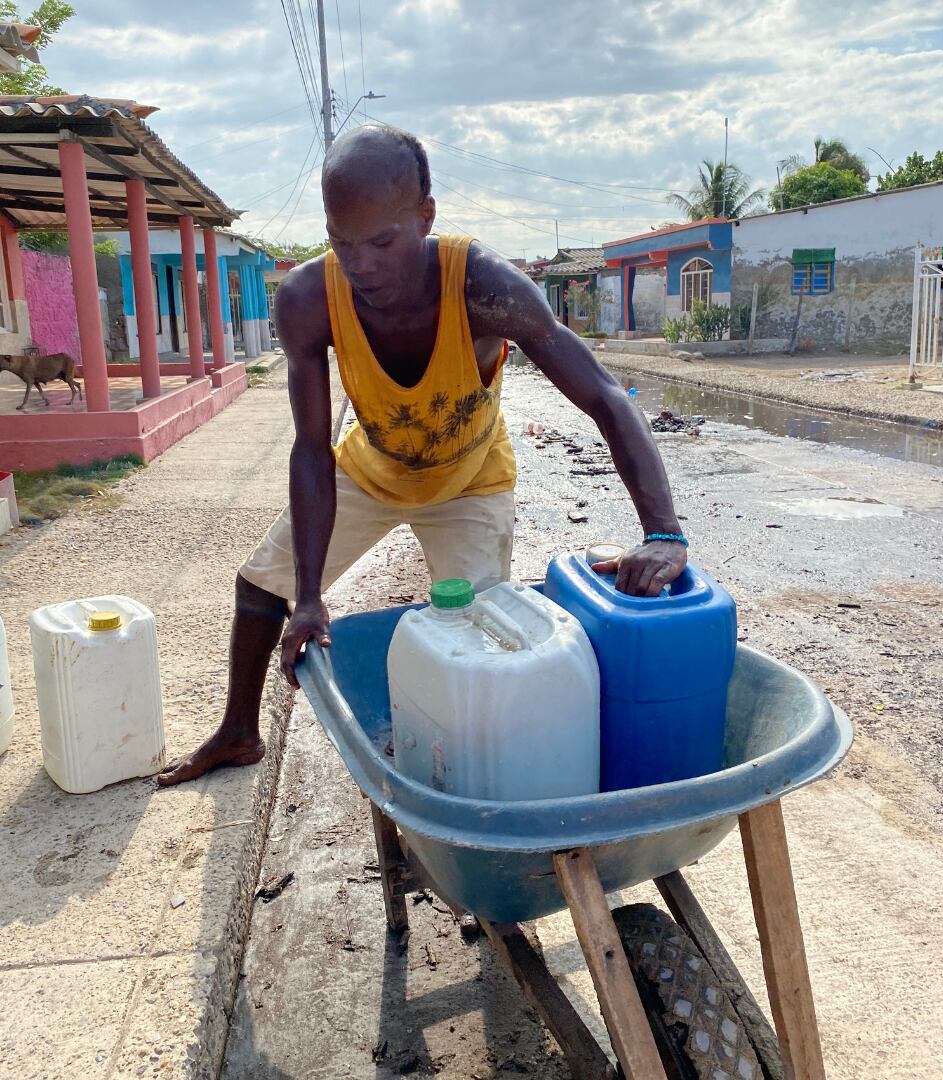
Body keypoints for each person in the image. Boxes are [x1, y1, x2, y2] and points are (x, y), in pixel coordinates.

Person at [158, 126, 689, 785]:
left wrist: (663, 530)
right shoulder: (308, 298)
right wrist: (308, 596)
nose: (362, 265)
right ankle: (238, 733)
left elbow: (605, 395)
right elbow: (310, 450)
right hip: (372, 471)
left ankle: (482, 771)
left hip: (471, 480)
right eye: (341, 242)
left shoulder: (485, 288)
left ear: (425, 217)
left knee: (487, 641)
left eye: (382, 241)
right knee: (260, 585)